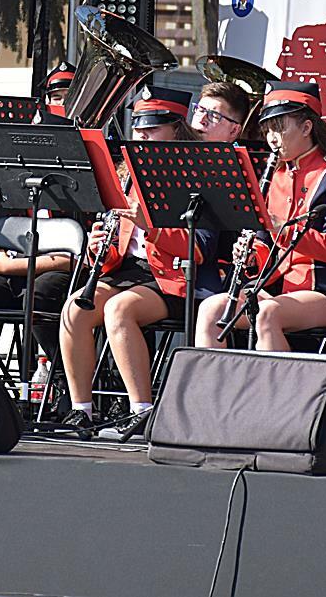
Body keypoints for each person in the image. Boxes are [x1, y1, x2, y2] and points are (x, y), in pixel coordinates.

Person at [58, 86, 216, 437]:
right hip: (128, 272)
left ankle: (141, 410)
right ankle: (81, 410)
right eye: (139, 128)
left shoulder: (197, 174)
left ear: (176, 128)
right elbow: (118, 248)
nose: (142, 135)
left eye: (152, 128)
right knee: (75, 310)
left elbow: (200, 248)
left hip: (174, 276)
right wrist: (98, 245)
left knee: (119, 310)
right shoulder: (126, 174)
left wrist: (154, 229)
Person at [195, 80, 326, 351]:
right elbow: (264, 246)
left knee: (267, 313)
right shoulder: (272, 175)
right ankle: (218, 392)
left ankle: (275, 394)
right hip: (277, 287)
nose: (272, 137)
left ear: (307, 128)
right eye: (268, 129)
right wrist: (249, 257)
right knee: (211, 310)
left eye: (279, 127)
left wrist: (283, 230)